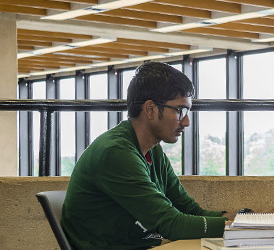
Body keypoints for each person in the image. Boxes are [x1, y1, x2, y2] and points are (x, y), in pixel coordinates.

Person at [61, 62, 236, 250]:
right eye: (180, 110)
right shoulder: (115, 153)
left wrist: (244, 220)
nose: (186, 122)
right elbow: (172, 224)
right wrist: (236, 228)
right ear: (150, 109)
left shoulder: (153, 150)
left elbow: (189, 210)